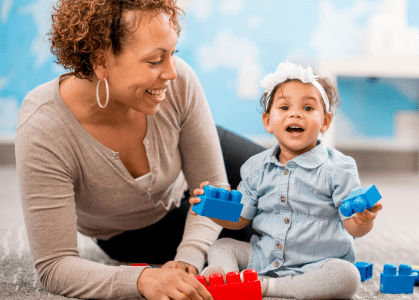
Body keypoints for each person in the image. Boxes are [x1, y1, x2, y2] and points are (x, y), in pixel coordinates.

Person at [15, 0, 262, 299]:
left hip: (194, 177)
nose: (172, 73)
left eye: (173, 54)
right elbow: (55, 266)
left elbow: (211, 185)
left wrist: (190, 256)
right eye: (155, 61)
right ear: (101, 61)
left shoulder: (178, 81)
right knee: (273, 235)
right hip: (133, 230)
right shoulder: (44, 126)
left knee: (300, 179)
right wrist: (143, 279)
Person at [189, 62, 384, 299]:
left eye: (308, 108)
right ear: (268, 121)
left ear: (325, 122)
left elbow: (353, 227)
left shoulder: (339, 168)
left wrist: (363, 220)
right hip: (264, 256)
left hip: (317, 265)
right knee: (222, 246)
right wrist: (212, 209)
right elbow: (240, 219)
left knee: (347, 275)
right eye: (284, 107)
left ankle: (263, 287)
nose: (295, 113)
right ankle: (227, 280)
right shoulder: (255, 167)